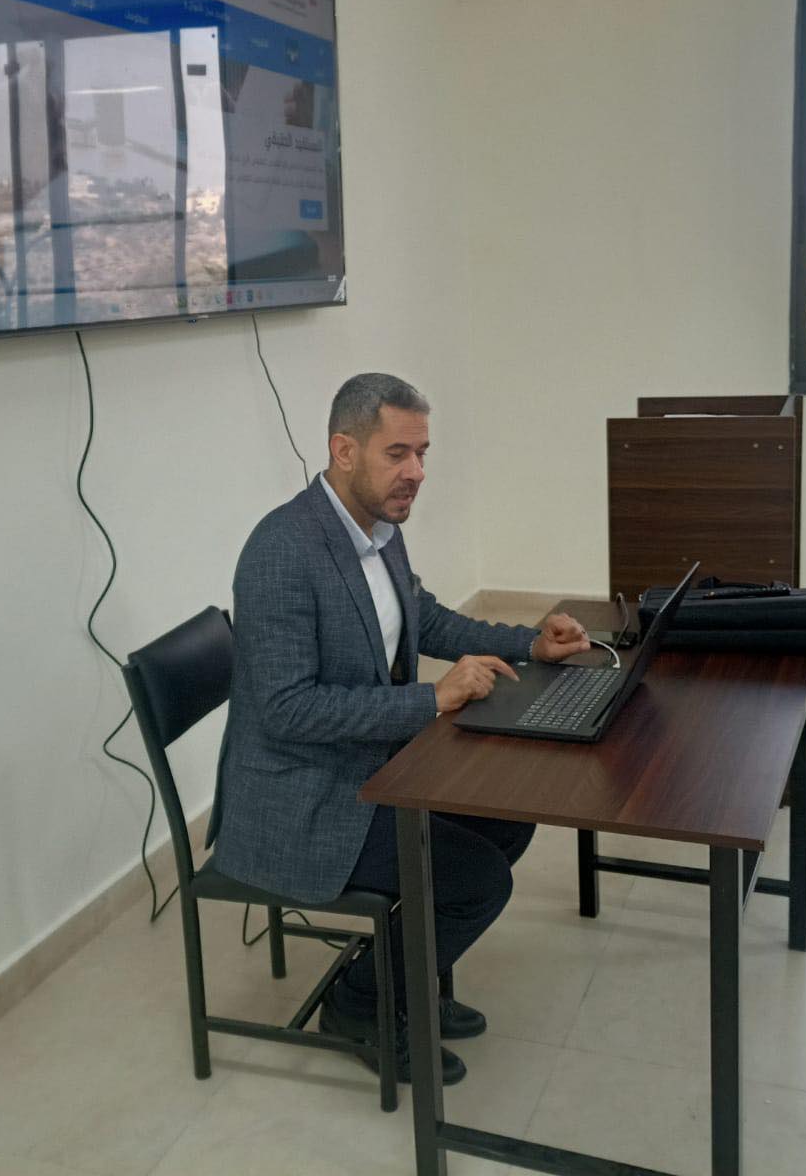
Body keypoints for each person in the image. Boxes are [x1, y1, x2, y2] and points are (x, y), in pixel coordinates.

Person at [207, 372, 589, 1084]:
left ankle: (407, 975)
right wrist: (430, 699)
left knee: (507, 824)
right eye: (398, 454)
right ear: (343, 450)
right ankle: (362, 1004)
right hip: (299, 799)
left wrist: (528, 644)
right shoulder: (282, 550)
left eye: (422, 453)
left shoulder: (378, 527)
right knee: (477, 880)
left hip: (367, 765)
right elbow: (288, 709)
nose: (416, 472)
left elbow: (427, 619)